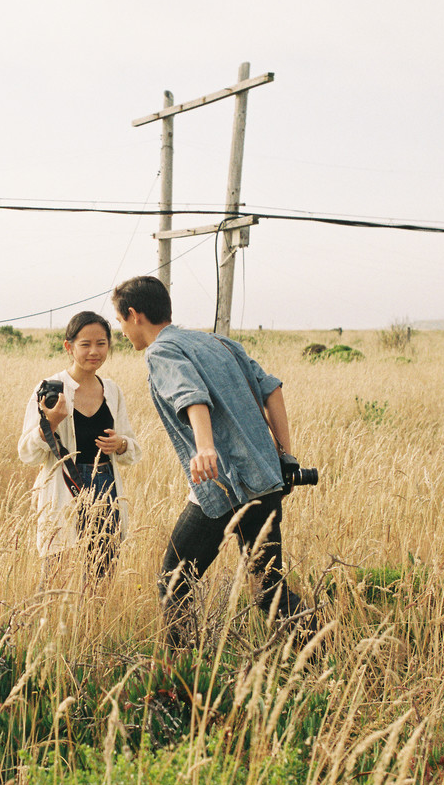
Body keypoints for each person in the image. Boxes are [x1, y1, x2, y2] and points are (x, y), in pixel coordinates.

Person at [112, 275, 305, 646]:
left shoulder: (161, 351)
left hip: (222, 483)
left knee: (174, 579)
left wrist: (205, 448)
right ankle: (319, 652)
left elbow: (191, 396)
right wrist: (286, 455)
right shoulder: (219, 342)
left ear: (135, 315)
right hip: (265, 479)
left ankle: (182, 667)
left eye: (120, 322)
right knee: (269, 589)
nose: (123, 331)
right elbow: (273, 390)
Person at [18, 310, 142, 584]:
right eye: (85, 344)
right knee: (56, 574)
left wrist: (120, 445)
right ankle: (51, 625)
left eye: (101, 343)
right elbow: (26, 452)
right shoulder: (51, 388)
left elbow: (132, 449)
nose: (94, 351)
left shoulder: (112, 390)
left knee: (101, 574)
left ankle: (93, 623)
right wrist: (50, 422)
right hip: (64, 487)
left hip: (106, 486)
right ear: (69, 347)